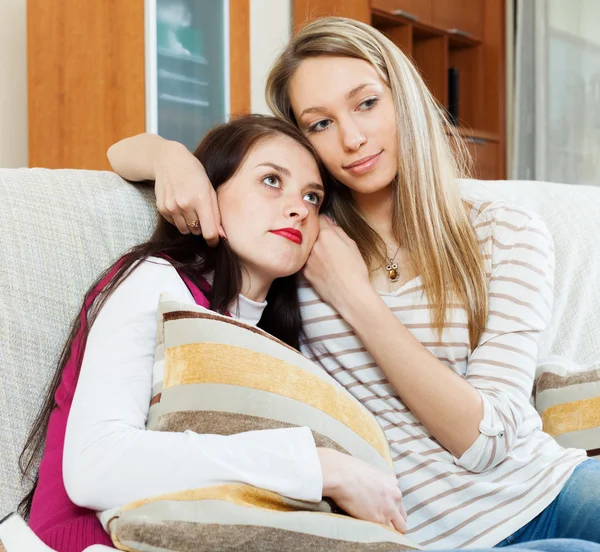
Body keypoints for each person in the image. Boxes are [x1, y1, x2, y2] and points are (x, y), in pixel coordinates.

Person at [107, 16, 600, 551]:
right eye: (320, 124)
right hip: (434, 537)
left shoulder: (506, 232)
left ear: (401, 97)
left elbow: (487, 442)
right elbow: (125, 156)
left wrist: (356, 299)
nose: (352, 138)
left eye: (366, 103)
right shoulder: (296, 234)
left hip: (552, 489)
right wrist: (169, 156)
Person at [18, 114, 347, 552]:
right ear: (209, 193)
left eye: (312, 197)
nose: (298, 208)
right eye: (271, 180)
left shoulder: (276, 340)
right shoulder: (159, 282)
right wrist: (315, 467)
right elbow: (95, 465)